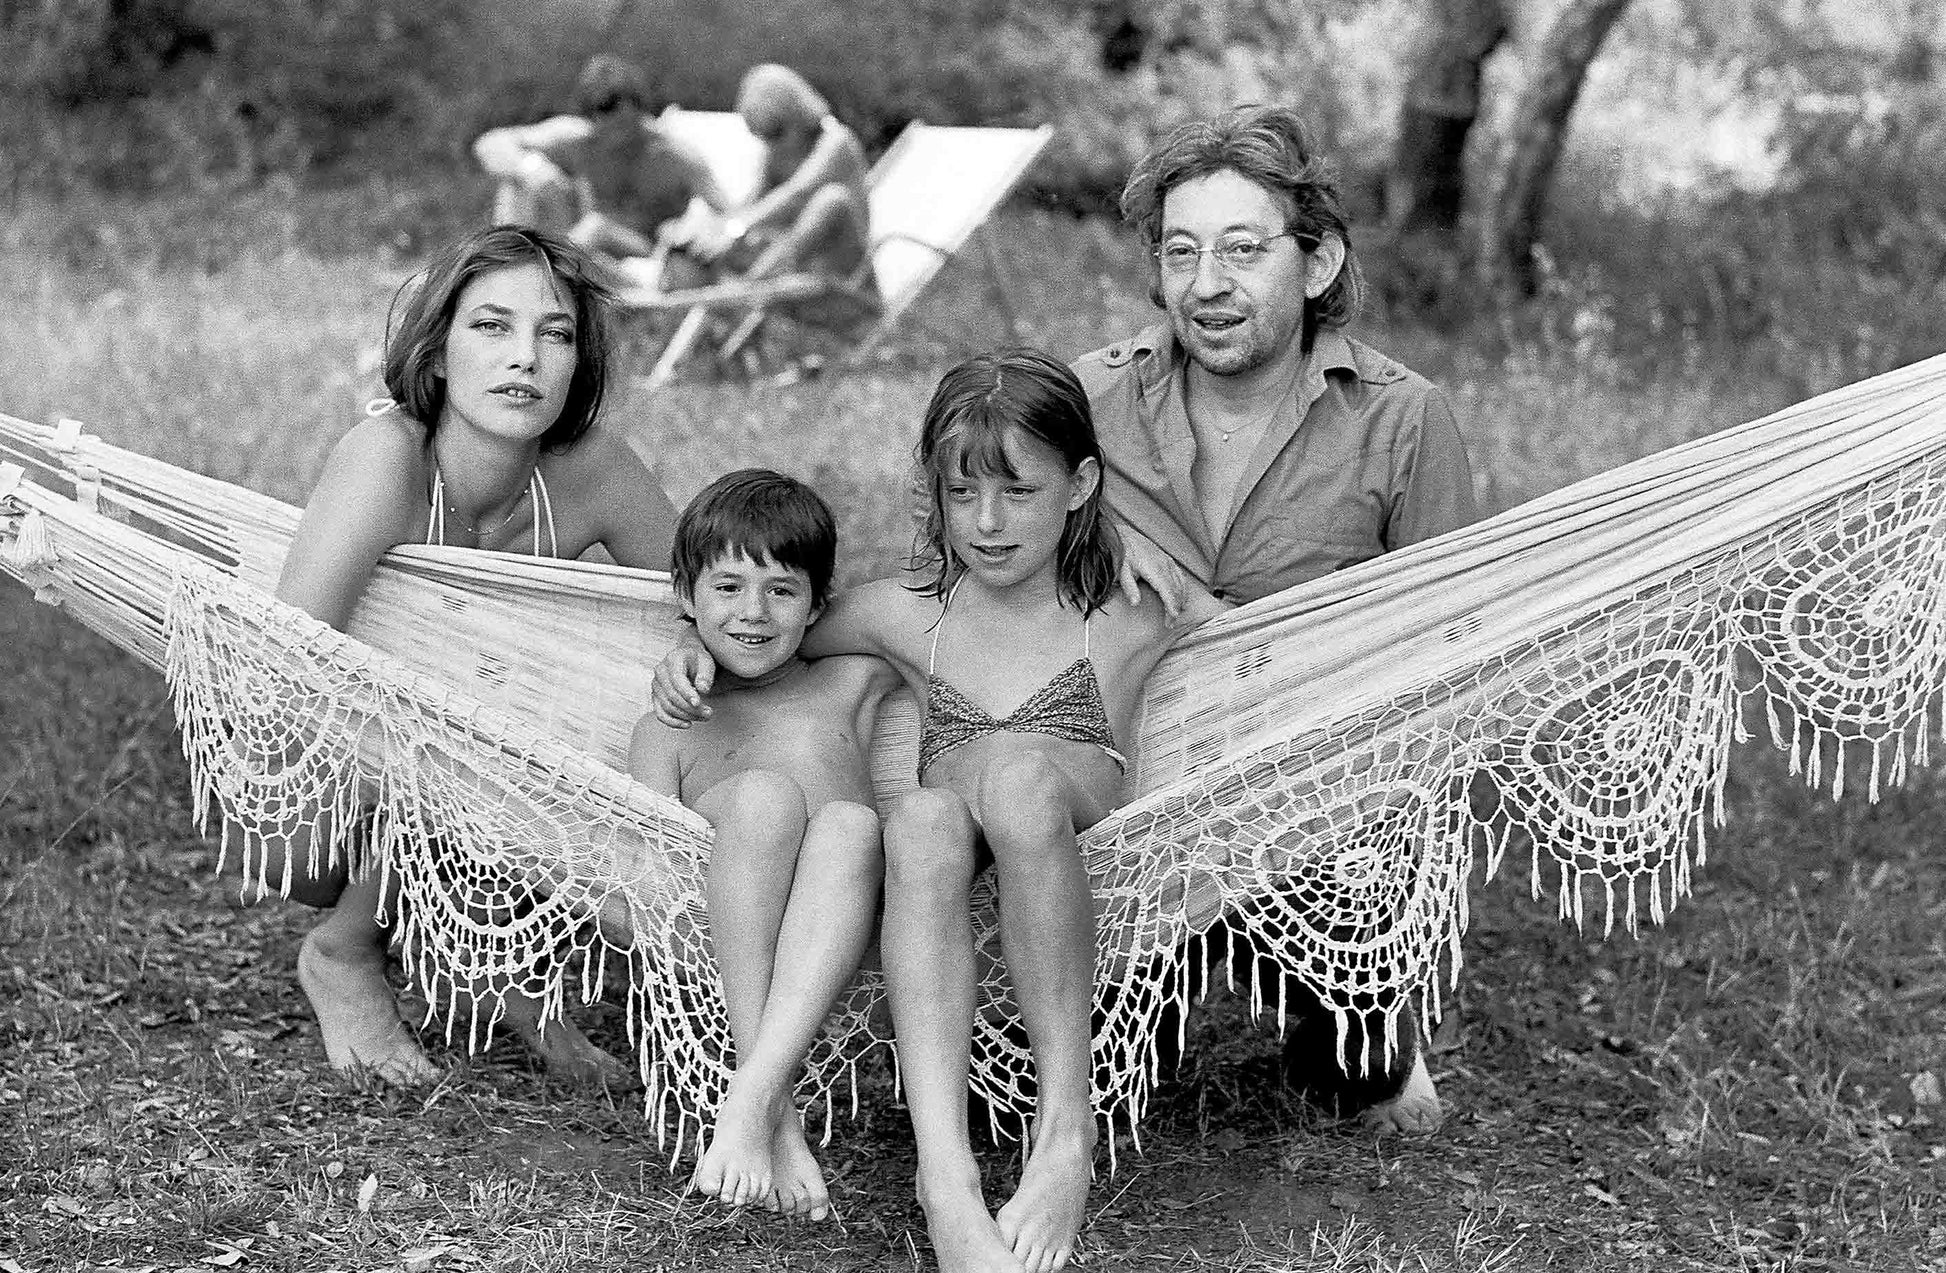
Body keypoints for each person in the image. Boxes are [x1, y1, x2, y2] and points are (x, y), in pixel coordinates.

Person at [654, 349, 1218, 1273]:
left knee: (1021, 782)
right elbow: (764, 627)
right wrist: (686, 643)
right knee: (916, 818)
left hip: (1063, 823)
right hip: (948, 848)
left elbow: (1259, 634)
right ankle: (945, 1177)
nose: (988, 523)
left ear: (1081, 485)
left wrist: (1138, 541)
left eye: (1019, 492)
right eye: (962, 495)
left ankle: (1063, 1136)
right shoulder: (907, 613)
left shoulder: (1127, 607)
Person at [1080, 104, 1479, 1133]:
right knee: (1077, 1086)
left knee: (1362, 1093)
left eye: (1242, 250)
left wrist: (1216, 619)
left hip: (1324, 806)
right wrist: (1101, 548)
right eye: (1180, 251)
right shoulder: (1083, 403)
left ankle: (1352, 1007)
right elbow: (948, 553)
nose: (1205, 284)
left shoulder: (1400, 419)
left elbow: (1449, 660)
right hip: (1124, 803)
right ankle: (1131, 984)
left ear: (1314, 263)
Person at [258, 224, 681, 1088]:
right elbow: (287, 663)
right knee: (484, 700)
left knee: (601, 702)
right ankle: (345, 950)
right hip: (302, 791)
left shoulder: (592, 468)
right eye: (492, 326)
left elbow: (701, 607)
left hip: (466, 773)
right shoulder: (385, 459)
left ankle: (495, 968)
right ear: (440, 351)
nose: (524, 356)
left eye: (554, 334)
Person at [628, 469, 899, 1221]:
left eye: (782, 590)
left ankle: (749, 1099)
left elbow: (942, 605)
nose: (753, 612)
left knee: (851, 824)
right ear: (685, 595)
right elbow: (650, 872)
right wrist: (689, 642)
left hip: (842, 918)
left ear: (818, 605)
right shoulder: (669, 726)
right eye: (728, 588)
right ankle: (770, 1107)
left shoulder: (854, 680)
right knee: (765, 796)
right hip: (724, 926)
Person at [669, 64, 879, 331]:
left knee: (831, 199)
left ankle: (745, 293)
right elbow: (750, 208)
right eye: (764, 136)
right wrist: (711, 232)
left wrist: (737, 230)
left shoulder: (837, 142)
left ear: (797, 113)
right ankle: (715, 302)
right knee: (708, 228)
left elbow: (797, 192)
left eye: (776, 132)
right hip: (795, 268)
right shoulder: (775, 153)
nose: (773, 143)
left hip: (846, 276)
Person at [473, 55, 729, 269]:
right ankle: (508, 262)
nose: (624, 136)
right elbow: (491, 143)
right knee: (518, 181)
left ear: (641, 111)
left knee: (596, 227)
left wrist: (703, 229)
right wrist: (531, 169)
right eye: (614, 129)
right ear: (593, 121)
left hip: (644, 252)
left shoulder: (672, 155)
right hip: (582, 246)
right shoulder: (579, 141)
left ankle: (537, 271)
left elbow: (729, 213)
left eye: (630, 124)